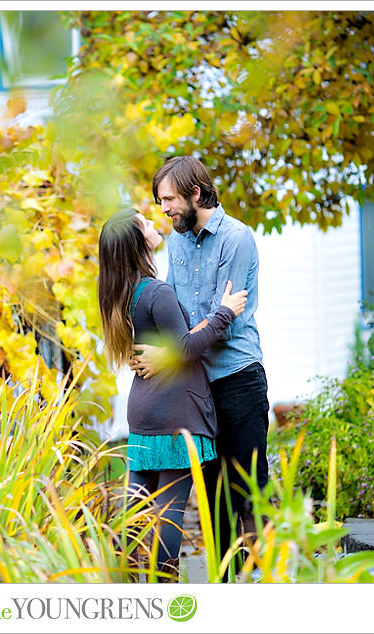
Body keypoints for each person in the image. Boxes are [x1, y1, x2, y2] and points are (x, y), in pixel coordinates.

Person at [129, 156, 269, 581]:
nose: (164, 209)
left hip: (238, 379)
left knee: (246, 494)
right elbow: (176, 315)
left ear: (195, 193)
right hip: (196, 387)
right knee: (211, 499)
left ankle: (254, 586)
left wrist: (171, 352)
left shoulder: (236, 239)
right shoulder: (176, 239)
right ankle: (224, 587)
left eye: (169, 199)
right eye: (159, 201)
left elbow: (218, 319)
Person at [97, 207, 247, 581]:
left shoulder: (118, 292)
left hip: (143, 412)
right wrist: (224, 314)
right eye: (144, 224)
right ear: (137, 242)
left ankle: (127, 581)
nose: (153, 223)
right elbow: (184, 348)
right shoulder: (157, 292)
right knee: (169, 512)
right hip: (175, 413)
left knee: (136, 508)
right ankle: (164, 585)